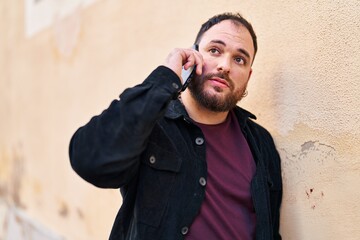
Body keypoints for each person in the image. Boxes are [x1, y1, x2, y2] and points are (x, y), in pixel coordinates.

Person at [69, 12, 282, 240]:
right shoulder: (152, 124)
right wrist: (166, 77)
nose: (224, 66)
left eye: (239, 59)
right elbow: (91, 161)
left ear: (248, 76)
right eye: (215, 50)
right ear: (192, 55)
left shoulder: (260, 143)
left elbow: (269, 230)